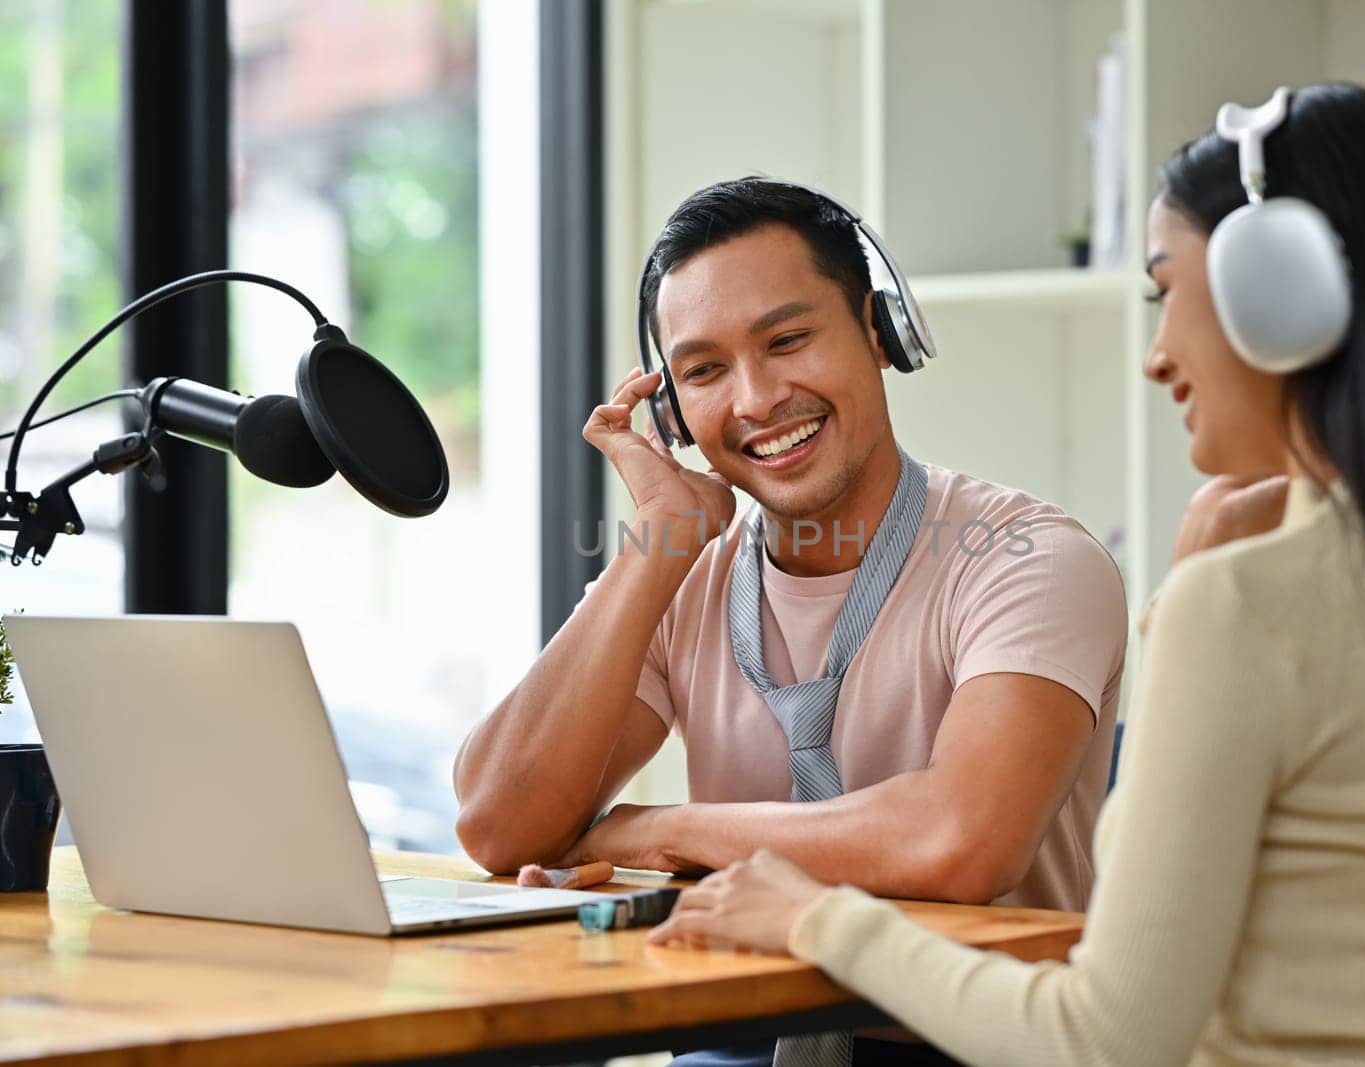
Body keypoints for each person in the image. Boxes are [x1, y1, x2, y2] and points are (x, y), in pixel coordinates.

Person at [647, 84, 1365, 1065]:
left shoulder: (1243, 605)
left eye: (1162, 291)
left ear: (1280, 297)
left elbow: (1103, 1039)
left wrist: (814, 916)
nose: (1154, 355)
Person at [452, 179, 1127, 1064]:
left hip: (972, 1038)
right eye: (703, 371)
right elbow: (499, 821)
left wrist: (656, 831)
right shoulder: (683, 576)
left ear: (881, 334)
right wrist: (652, 549)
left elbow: (961, 839)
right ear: (672, 415)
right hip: (732, 1036)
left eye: (788, 340)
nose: (757, 398)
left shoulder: (1027, 558)